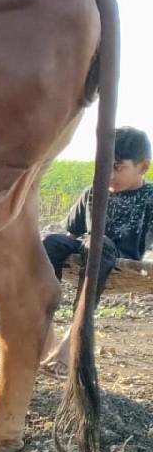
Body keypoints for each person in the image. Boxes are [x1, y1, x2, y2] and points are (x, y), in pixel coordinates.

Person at [41, 126, 153, 377]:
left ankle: (73, 338)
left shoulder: (150, 197)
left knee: (98, 242)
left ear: (143, 166)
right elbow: (73, 232)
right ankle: (43, 324)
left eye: (117, 167)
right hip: (87, 250)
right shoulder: (93, 192)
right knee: (51, 242)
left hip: (118, 259)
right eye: (102, 166)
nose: (107, 174)